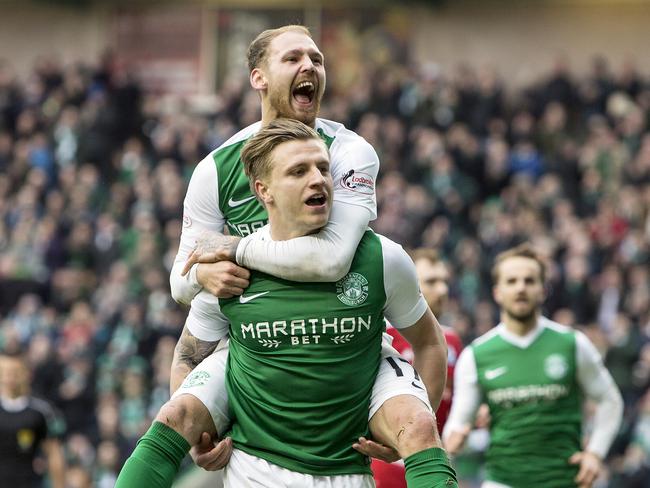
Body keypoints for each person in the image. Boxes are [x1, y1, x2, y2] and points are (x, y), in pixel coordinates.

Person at [116, 119, 457, 487]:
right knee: (173, 415)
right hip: (257, 468)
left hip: (345, 467)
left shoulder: (381, 258)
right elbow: (189, 354)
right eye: (299, 171)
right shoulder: (230, 272)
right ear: (264, 191)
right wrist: (200, 437)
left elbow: (428, 341)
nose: (318, 179)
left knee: (419, 424)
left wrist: (418, 423)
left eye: (323, 168)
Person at [166, 25, 447, 470]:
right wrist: (201, 274)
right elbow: (181, 280)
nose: (310, 67)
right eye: (293, 58)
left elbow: (332, 260)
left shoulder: (349, 152)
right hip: (256, 344)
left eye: (317, 59)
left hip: (345, 336)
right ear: (258, 77)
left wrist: (235, 250)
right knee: (174, 419)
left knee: (416, 426)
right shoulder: (215, 169)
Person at [443, 243, 624, 488]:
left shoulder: (572, 344)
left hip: (564, 480)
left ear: (543, 290)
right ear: (497, 292)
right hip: (502, 481)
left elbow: (610, 401)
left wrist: (595, 454)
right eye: (512, 281)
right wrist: (456, 439)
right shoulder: (476, 355)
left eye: (529, 281)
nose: (521, 287)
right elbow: (457, 423)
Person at [372, 248, 463, 488]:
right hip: (388, 462)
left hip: (435, 455)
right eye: (431, 282)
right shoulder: (384, 335)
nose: (442, 290)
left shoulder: (451, 340)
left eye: (444, 281)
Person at [0, 349, 66, 488]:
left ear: (26, 373)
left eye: (15, 372)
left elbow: (54, 454)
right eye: (5, 372)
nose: (10, 377)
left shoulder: (41, 410)